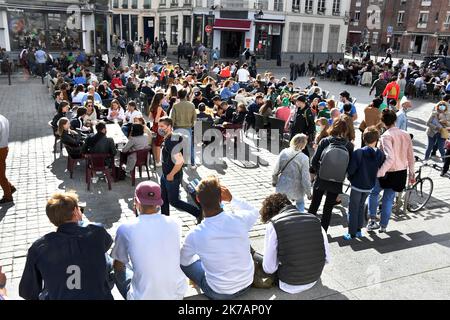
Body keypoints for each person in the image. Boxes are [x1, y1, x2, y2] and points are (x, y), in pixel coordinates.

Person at [19, 192, 114, 300]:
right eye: (80, 209)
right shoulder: (97, 231)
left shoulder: (39, 247)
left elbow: (27, 292)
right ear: (75, 211)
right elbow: (106, 244)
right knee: (106, 258)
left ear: (51, 220)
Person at [180, 176, 258, 300]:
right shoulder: (240, 219)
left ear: (197, 199)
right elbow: (255, 211)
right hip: (247, 283)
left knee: (186, 261)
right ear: (221, 198)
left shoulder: (195, 234)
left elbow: (184, 260)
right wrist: (232, 199)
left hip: (218, 292)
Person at [111, 181, 187, 300]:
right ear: (158, 202)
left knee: (116, 267)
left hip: (142, 297)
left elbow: (118, 265)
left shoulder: (125, 229)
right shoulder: (175, 223)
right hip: (176, 295)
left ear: (136, 202)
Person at [255, 193, 330, 293]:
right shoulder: (314, 219)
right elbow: (327, 258)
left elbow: (269, 268)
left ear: (271, 213)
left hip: (288, 284)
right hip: (314, 278)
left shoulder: (274, 224)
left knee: (256, 256)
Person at [367, 110, 415, 233]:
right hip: (401, 171)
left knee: (374, 193)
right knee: (389, 198)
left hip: (387, 171)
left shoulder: (386, 136)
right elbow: (411, 156)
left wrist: (380, 172)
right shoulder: (405, 134)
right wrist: (411, 173)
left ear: (383, 122)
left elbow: (390, 157)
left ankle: (373, 221)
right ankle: (383, 226)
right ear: (395, 120)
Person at [308, 119, 354, 231]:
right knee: (328, 208)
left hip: (321, 179)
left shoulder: (325, 141)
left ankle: (308, 230)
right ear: (346, 129)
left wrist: (321, 171)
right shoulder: (349, 146)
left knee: (314, 205)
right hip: (337, 181)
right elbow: (350, 167)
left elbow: (314, 162)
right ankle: (323, 232)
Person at [344, 127, 385, 240]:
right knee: (361, 206)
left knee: (353, 208)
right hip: (369, 185)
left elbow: (351, 170)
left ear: (364, 139)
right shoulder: (380, 154)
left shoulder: (359, 152)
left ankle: (351, 233)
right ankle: (358, 230)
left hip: (357, 185)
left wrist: (351, 178)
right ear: (376, 139)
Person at [158, 117, 201, 220]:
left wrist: (171, 175)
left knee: (174, 201)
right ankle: (164, 220)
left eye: (162, 126)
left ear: (169, 127)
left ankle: (198, 213)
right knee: (163, 199)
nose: (160, 129)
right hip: (165, 175)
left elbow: (180, 161)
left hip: (171, 176)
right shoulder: (170, 138)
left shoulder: (171, 141)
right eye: (159, 126)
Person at [272, 134, 311, 212]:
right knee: (300, 203)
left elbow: (276, 169)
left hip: (282, 184)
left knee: (280, 205)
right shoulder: (304, 158)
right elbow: (305, 178)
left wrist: (274, 181)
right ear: (304, 144)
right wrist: (308, 193)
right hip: (297, 187)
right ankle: (299, 218)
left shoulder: (284, 152)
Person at [169, 89, 197, 167]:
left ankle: (176, 163)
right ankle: (192, 163)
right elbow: (194, 118)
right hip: (187, 128)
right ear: (185, 95)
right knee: (190, 146)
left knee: (177, 146)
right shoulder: (191, 105)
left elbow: (172, 119)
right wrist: (191, 126)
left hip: (177, 128)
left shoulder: (175, 105)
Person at [0, 114, 15, 204]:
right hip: (4, 147)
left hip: (0, 149)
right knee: (1, 172)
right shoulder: (3, 118)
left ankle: (8, 196)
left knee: (1, 176)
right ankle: (10, 187)